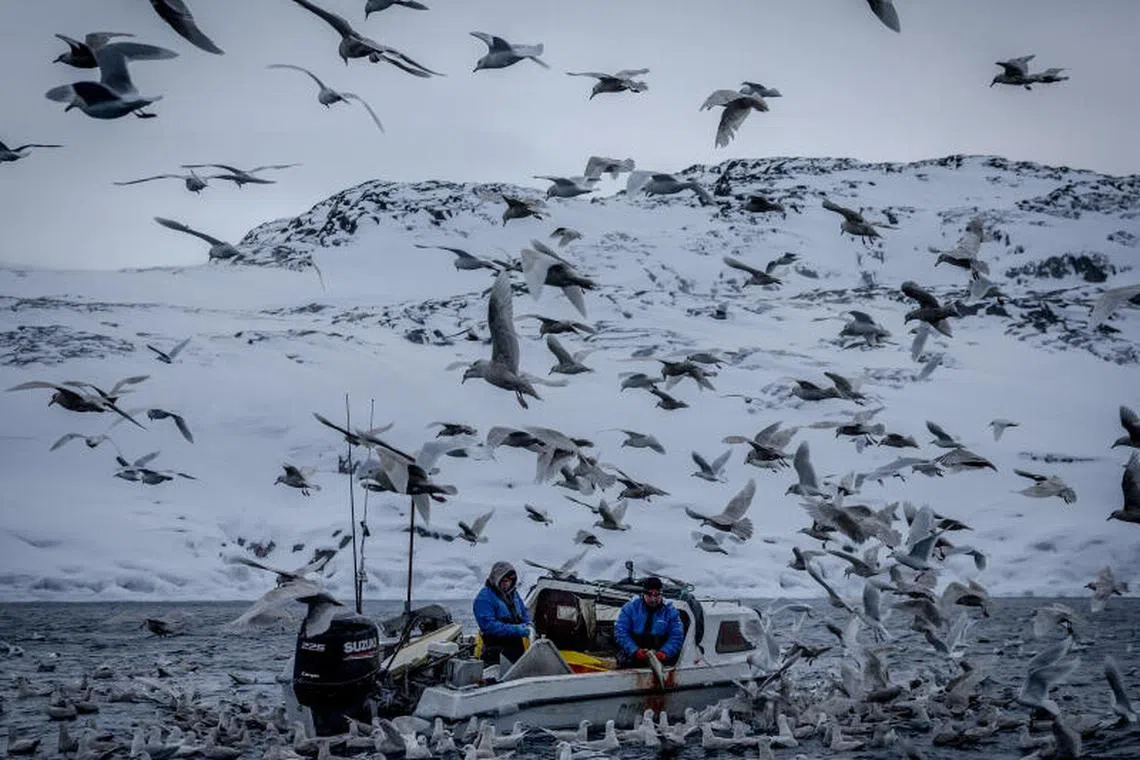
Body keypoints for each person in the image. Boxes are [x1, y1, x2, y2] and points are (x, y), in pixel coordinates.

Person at [613, 576, 685, 667]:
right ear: (643, 593)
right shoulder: (630, 608)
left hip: (659, 655)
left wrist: (665, 652)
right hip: (634, 653)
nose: (653, 599)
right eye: (649, 595)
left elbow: (677, 636)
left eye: (657, 595)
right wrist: (634, 650)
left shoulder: (670, 611)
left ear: (661, 594)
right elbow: (620, 631)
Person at [473, 561, 531, 665]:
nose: (506, 584)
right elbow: (488, 626)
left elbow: (523, 611)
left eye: (509, 581)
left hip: (516, 648)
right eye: (503, 581)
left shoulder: (513, 594)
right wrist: (516, 629)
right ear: (496, 578)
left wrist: (529, 623)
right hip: (495, 650)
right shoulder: (484, 598)